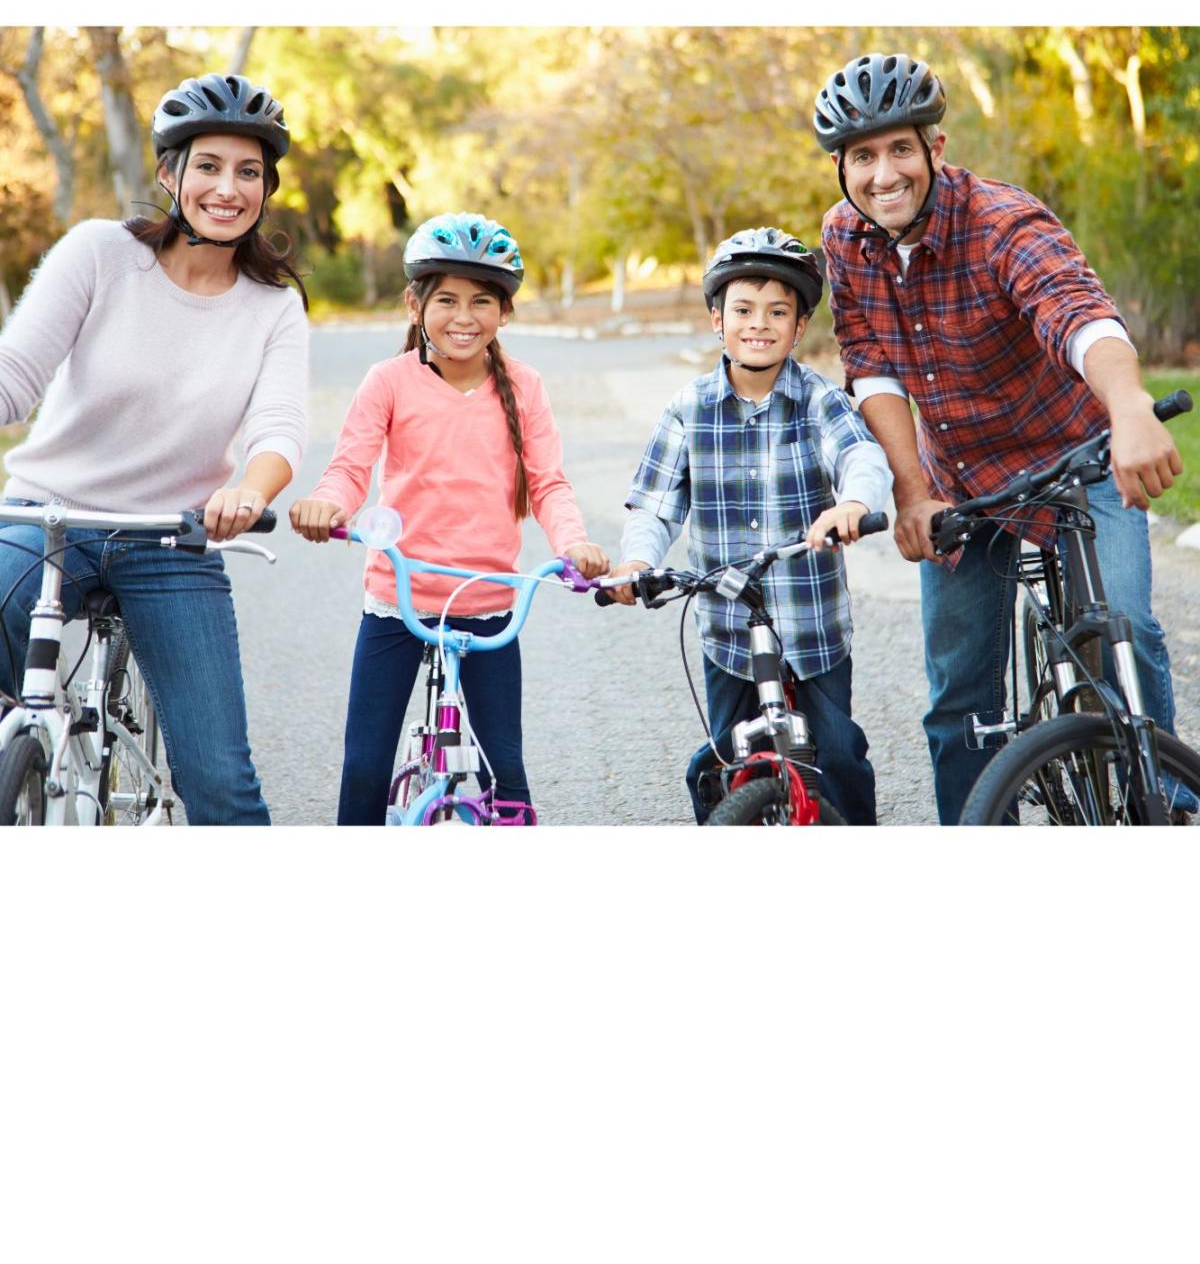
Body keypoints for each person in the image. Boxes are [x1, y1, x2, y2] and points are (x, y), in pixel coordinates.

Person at [815, 50, 1187, 824]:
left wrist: (1129, 409)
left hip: (1077, 459)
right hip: (963, 481)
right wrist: (913, 491)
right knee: (958, 698)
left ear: (935, 150)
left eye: (899, 150)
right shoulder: (845, 238)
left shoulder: (1003, 219)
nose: (883, 174)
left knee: (1123, 623)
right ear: (843, 168)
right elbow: (872, 367)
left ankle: (1171, 805)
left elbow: (1079, 314)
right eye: (862, 157)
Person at [0, 71, 309, 824]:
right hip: (49, 516)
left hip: (172, 536)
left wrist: (248, 491)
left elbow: (278, 432)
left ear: (266, 188)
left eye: (248, 172)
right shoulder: (100, 254)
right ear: (171, 173)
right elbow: (15, 379)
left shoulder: (273, 307)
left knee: (222, 788)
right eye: (208, 166)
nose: (227, 188)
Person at [289, 210, 609, 825]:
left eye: (482, 302)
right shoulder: (387, 381)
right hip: (399, 599)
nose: (464, 317)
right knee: (364, 767)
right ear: (415, 304)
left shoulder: (525, 385)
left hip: (490, 602)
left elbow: (548, 483)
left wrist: (575, 545)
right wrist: (329, 504)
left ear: (505, 312)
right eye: (447, 300)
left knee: (507, 779)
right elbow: (350, 468)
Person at [609, 227, 892, 824]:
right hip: (728, 628)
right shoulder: (690, 409)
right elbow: (656, 505)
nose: (758, 323)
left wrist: (853, 504)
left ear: (799, 325)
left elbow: (859, 457)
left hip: (811, 624)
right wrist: (638, 564)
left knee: (837, 754)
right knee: (717, 764)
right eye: (742, 309)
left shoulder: (818, 400)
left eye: (777, 312)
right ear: (717, 318)